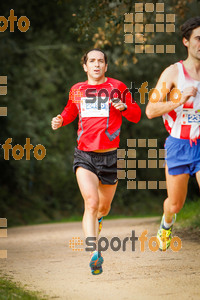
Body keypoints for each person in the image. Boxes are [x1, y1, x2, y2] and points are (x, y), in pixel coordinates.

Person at [51, 49, 141, 274]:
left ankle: (99, 219)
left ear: (106, 66)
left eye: (101, 61)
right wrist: (61, 119)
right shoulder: (77, 90)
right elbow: (70, 112)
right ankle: (94, 252)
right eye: (92, 61)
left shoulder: (117, 88)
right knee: (91, 203)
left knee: (104, 207)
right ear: (85, 66)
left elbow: (137, 115)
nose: (96, 64)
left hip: (111, 156)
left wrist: (125, 107)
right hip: (85, 156)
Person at [146, 17, 200, 251]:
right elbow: (150, 110)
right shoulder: (173, 73)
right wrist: (179, 98)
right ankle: (166, 225)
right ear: (186, 41)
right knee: (175, 204)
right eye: (198, 38)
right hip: (178, 145)